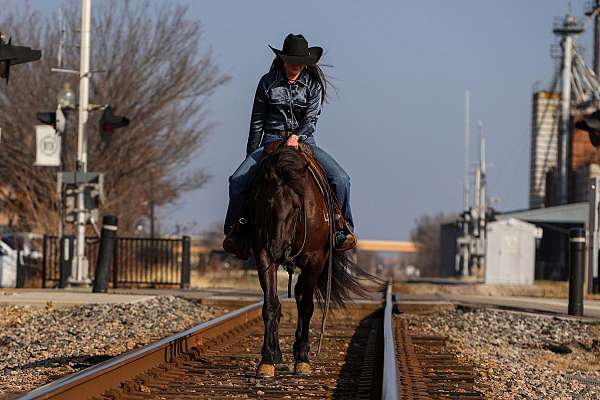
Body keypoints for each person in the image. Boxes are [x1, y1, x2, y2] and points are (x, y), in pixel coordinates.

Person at [223, 34, 355, 257]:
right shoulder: (267, 82)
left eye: (299, 62)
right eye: (291, 61)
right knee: (237, 180)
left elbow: (311, 119)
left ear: (305, 63)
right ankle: (237, 229)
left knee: (342, 179)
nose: (295, 66)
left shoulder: (312, 86)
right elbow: (257, 121)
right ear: (283, 60)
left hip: (305, 142)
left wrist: (297, 136)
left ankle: (342, 227)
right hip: (270, 139)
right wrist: (250, 155)